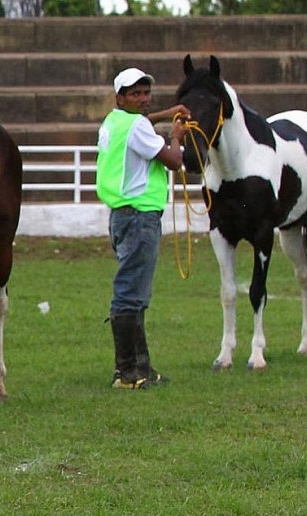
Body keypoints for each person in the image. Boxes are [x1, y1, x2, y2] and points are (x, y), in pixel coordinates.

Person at [97, 67, 186, 390]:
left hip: (122, 215)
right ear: (120, 97)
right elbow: (173, 161)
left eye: (146, 92)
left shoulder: (114, 121)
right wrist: (176, 137)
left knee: (133, 291)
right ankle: (126, 372)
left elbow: (142, 122)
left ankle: (141, 367)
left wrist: (165, 114)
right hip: (140, 216)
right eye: (136, 94)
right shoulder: (136, 126)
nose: (144, 99)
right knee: (131, 294)